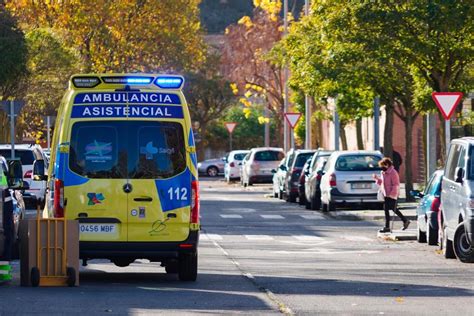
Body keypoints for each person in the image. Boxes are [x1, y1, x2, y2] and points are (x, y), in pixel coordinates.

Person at [373, 157, 410, 233]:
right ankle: (400, 222)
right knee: (388, 209)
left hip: (391, 194)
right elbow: (382, 183)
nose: (382, 167)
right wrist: (377, 179)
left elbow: (396, 184)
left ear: (387, 165)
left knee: (392, 208)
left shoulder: (393, 172)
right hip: (386, 194)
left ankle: (403, 221)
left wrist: (392, 194)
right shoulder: (383, 173)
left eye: (383, 165)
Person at [0, 155, 14, 261]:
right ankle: (4, 274)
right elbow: (4, 189)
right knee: (7, 237)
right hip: (4, 205)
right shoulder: (0, 163)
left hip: (4, 204)